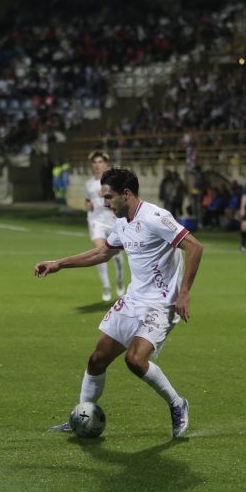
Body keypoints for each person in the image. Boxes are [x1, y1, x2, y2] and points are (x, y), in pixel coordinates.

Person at [35, 167, 204, 439]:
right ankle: (82, 413)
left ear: (127, 194)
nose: (105, 203)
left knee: (135, 360)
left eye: (109, 197)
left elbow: (195, 247)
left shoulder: (156, 217)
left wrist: (184, 293)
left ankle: (177, 403)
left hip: (160, 305)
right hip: (133, 300)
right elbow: (103, 252)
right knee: (96, 359)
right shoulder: (123, 222)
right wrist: (59, 264)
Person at [85, 150, 126, 302]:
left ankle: (120, 280)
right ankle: (107, 286)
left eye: (100, 162)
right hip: (96, 221)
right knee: (100, 252)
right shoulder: (88, 183)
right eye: (95, 162)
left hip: (113, 221)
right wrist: (87, 205)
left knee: (116, 255)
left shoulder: (112, 181)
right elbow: (88, 200)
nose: (97, 165)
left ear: (106, 163)